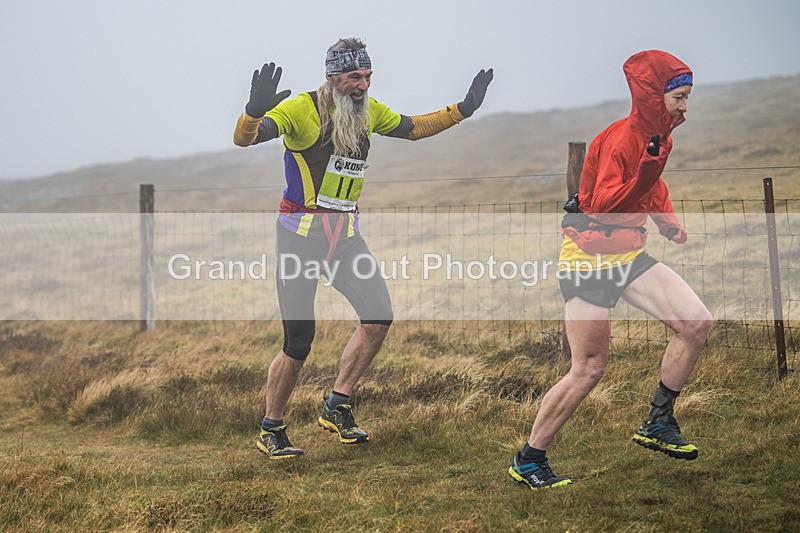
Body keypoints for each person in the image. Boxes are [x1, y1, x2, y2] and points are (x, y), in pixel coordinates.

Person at [234, 38, 493, 459]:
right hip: (299, 237)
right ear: (332, 77)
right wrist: (252, 112)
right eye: (355, 76)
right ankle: (272, 427)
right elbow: (246, 140)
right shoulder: (301, 109)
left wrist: (463, 109)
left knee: (378, 316)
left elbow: (414, 128)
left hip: (344, 236)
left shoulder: (368, 112)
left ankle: (337, 404)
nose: (363, 85)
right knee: (299, 340)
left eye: (368, 76)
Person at [508, 50, 712, 489]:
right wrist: (644, 175)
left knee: (696, 323)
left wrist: (667, 222)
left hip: (627, 253)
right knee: (589, 367)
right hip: (587, 258)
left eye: (688, 97)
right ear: (655, 96)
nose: (685, 106)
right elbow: (599, 204)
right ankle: (529, 458)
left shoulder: (660, 137)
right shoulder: (621, 139)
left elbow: (652, 186)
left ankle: (658, 420)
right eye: (679, 97)